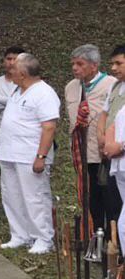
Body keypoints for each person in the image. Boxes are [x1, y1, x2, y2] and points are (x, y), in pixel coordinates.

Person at [0, 53, 59, 254]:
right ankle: (20, 235)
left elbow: (49, 127)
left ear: (23, 73)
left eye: (13, 69)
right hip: (9, 153)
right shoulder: (17, 90)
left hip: (29, 155)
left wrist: (41, 156)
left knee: (35, 197)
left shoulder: (44, 93)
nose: (10, 71)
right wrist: (0, 144)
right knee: (12, 195)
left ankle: (43, 238)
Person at [65, 44, 120, 232]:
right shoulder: (71, 88)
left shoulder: (111, 84)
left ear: (94, 66)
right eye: (73, 64)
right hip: (82, 153)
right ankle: (94, 233)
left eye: (80, 64)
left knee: (109, 198)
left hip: (104, 153)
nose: (75, 68)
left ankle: (110, 238)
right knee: (90, 198)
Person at [101, 45, 125, 246]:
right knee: (114, 203)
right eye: (112, 63)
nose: (114, 68)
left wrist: (121, 146)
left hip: (121, 150)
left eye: (119, 63)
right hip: (115, 158)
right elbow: (107, 116)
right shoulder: (115, 86)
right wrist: (104, 139)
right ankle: (114, 248)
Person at [0, 46, 25, 122]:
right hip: (2, 128)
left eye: (15, 59)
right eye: (9, 59)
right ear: (4, 61)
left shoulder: (26, 81)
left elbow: (25, 105)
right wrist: (14, 102)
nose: (11, 63)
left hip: (22, 128)